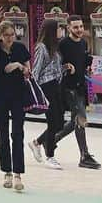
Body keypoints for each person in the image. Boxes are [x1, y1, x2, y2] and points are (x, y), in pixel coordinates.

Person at [0, 18, 30, 192]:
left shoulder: (20, 48)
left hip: (18, 95)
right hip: (0, 96)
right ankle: (7, 171)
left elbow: (28, 70)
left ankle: (18, 173)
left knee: (18, 133)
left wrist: (20, 67)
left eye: (12, 34)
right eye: (7, 35)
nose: (10, 38)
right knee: (2, 134)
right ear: (0, 35)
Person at [56, 17, 101, 169]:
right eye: (75, 27)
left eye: (81, 26)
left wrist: (88, 67)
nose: (79, 29)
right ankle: (84, 155)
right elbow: (55, 66)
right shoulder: (63, 45)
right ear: (68, 28)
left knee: (73, 123)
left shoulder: (83, 43)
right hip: (69, 88)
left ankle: (46, 142)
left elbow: (84, 60)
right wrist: (65, 67)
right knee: (81, 119)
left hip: (80, 86)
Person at [29, 18, 65, 169]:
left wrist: (64, 68)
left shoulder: (55, 48)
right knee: (52, 120)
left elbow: (54, 68)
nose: (61, 31)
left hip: (56, 85)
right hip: (46, 87)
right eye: (58, 28)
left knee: (60, 122)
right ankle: (50, 155)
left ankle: (37, 142)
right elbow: (36, 70)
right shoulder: (41, 48)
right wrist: (34, 90)